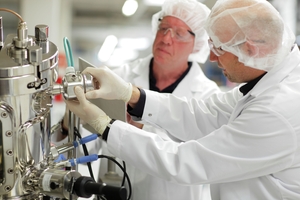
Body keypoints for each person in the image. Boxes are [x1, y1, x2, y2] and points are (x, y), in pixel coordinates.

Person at [65, 0, 300, 199]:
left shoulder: (277, 110)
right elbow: (204, 114)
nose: (211, 57)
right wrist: (131, 94)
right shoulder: (265, 84)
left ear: (250, 50)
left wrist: (105, 126)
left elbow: (186, 161)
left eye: (219, 48)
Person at [99, 0, 219, 199]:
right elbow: (90, 138)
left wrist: (141, 130)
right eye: (163, 28)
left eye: (179, 33)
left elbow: (197, 157)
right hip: (114, 189)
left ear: (196, 45)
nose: (166, 38)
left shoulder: (208, 96)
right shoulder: (121, 77)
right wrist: (71, 124)